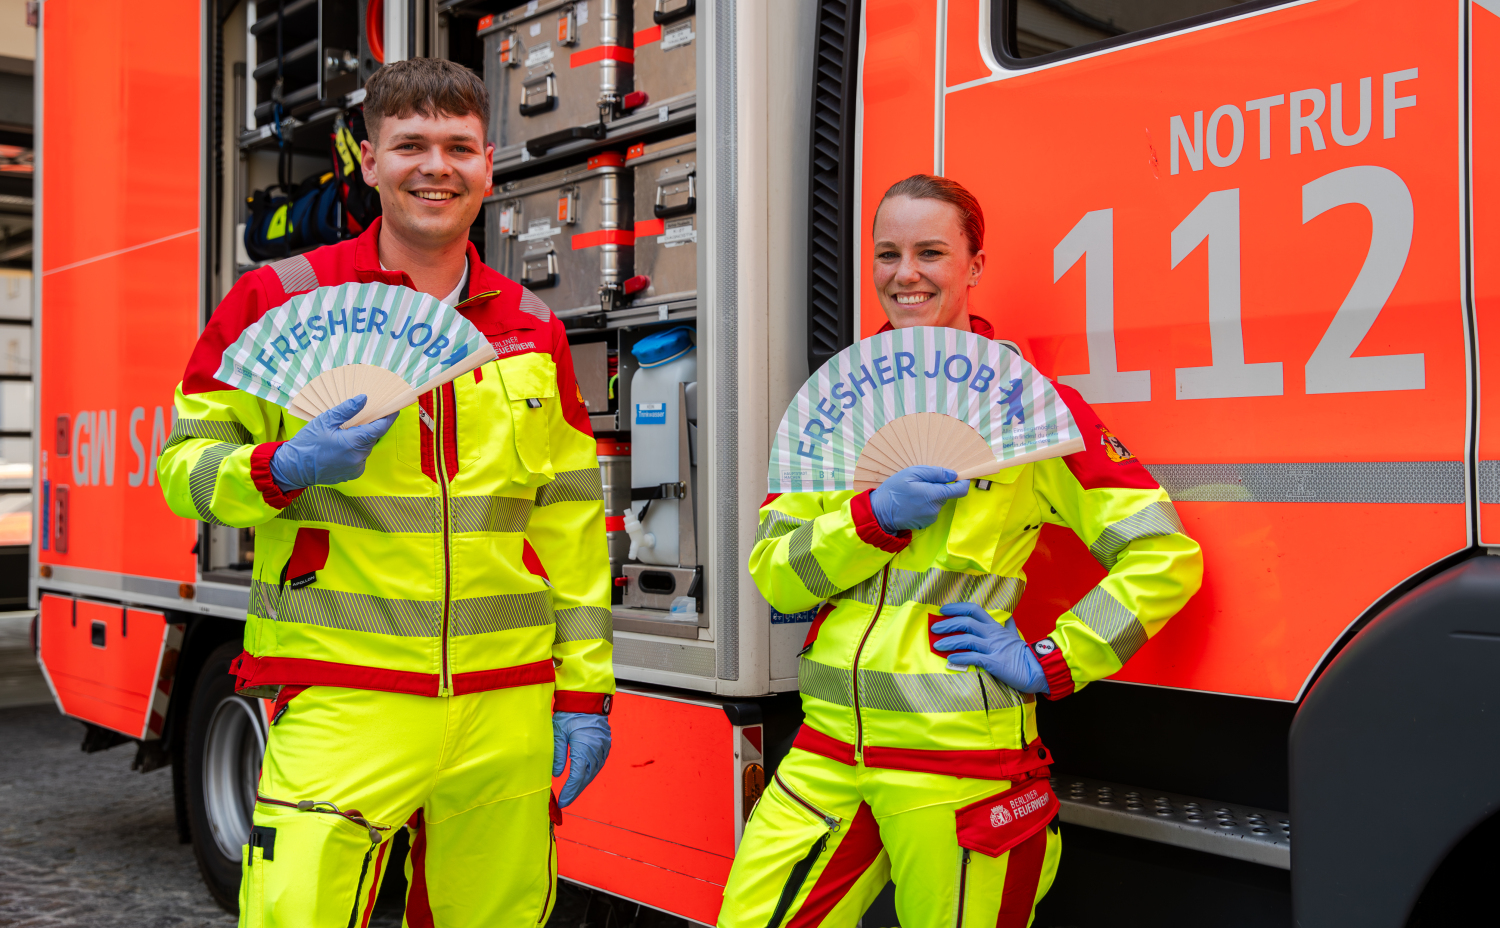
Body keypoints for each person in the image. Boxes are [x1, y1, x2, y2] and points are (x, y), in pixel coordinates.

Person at [158, 58, 614, 927]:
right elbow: (185, 468)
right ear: (368, 162)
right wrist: (280, 469)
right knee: (294, 914)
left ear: (488, 165)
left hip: (505, 706)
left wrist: (583, 695)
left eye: (458, 146)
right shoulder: (275, 298)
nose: (434, 167)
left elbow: (569, 522)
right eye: (410, 145)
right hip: (340, 697)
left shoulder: (532, 324)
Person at [719, 175, 1203, 927]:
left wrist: (1049, 658)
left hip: (962, 766)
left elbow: (1162, 556)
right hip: (826, 753)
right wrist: (873, 516)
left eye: (930, 252)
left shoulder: (1033, 408)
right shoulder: (838, 403)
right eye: (887, 254)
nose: (904, 274)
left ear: (975, 265)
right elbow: (780, 579)